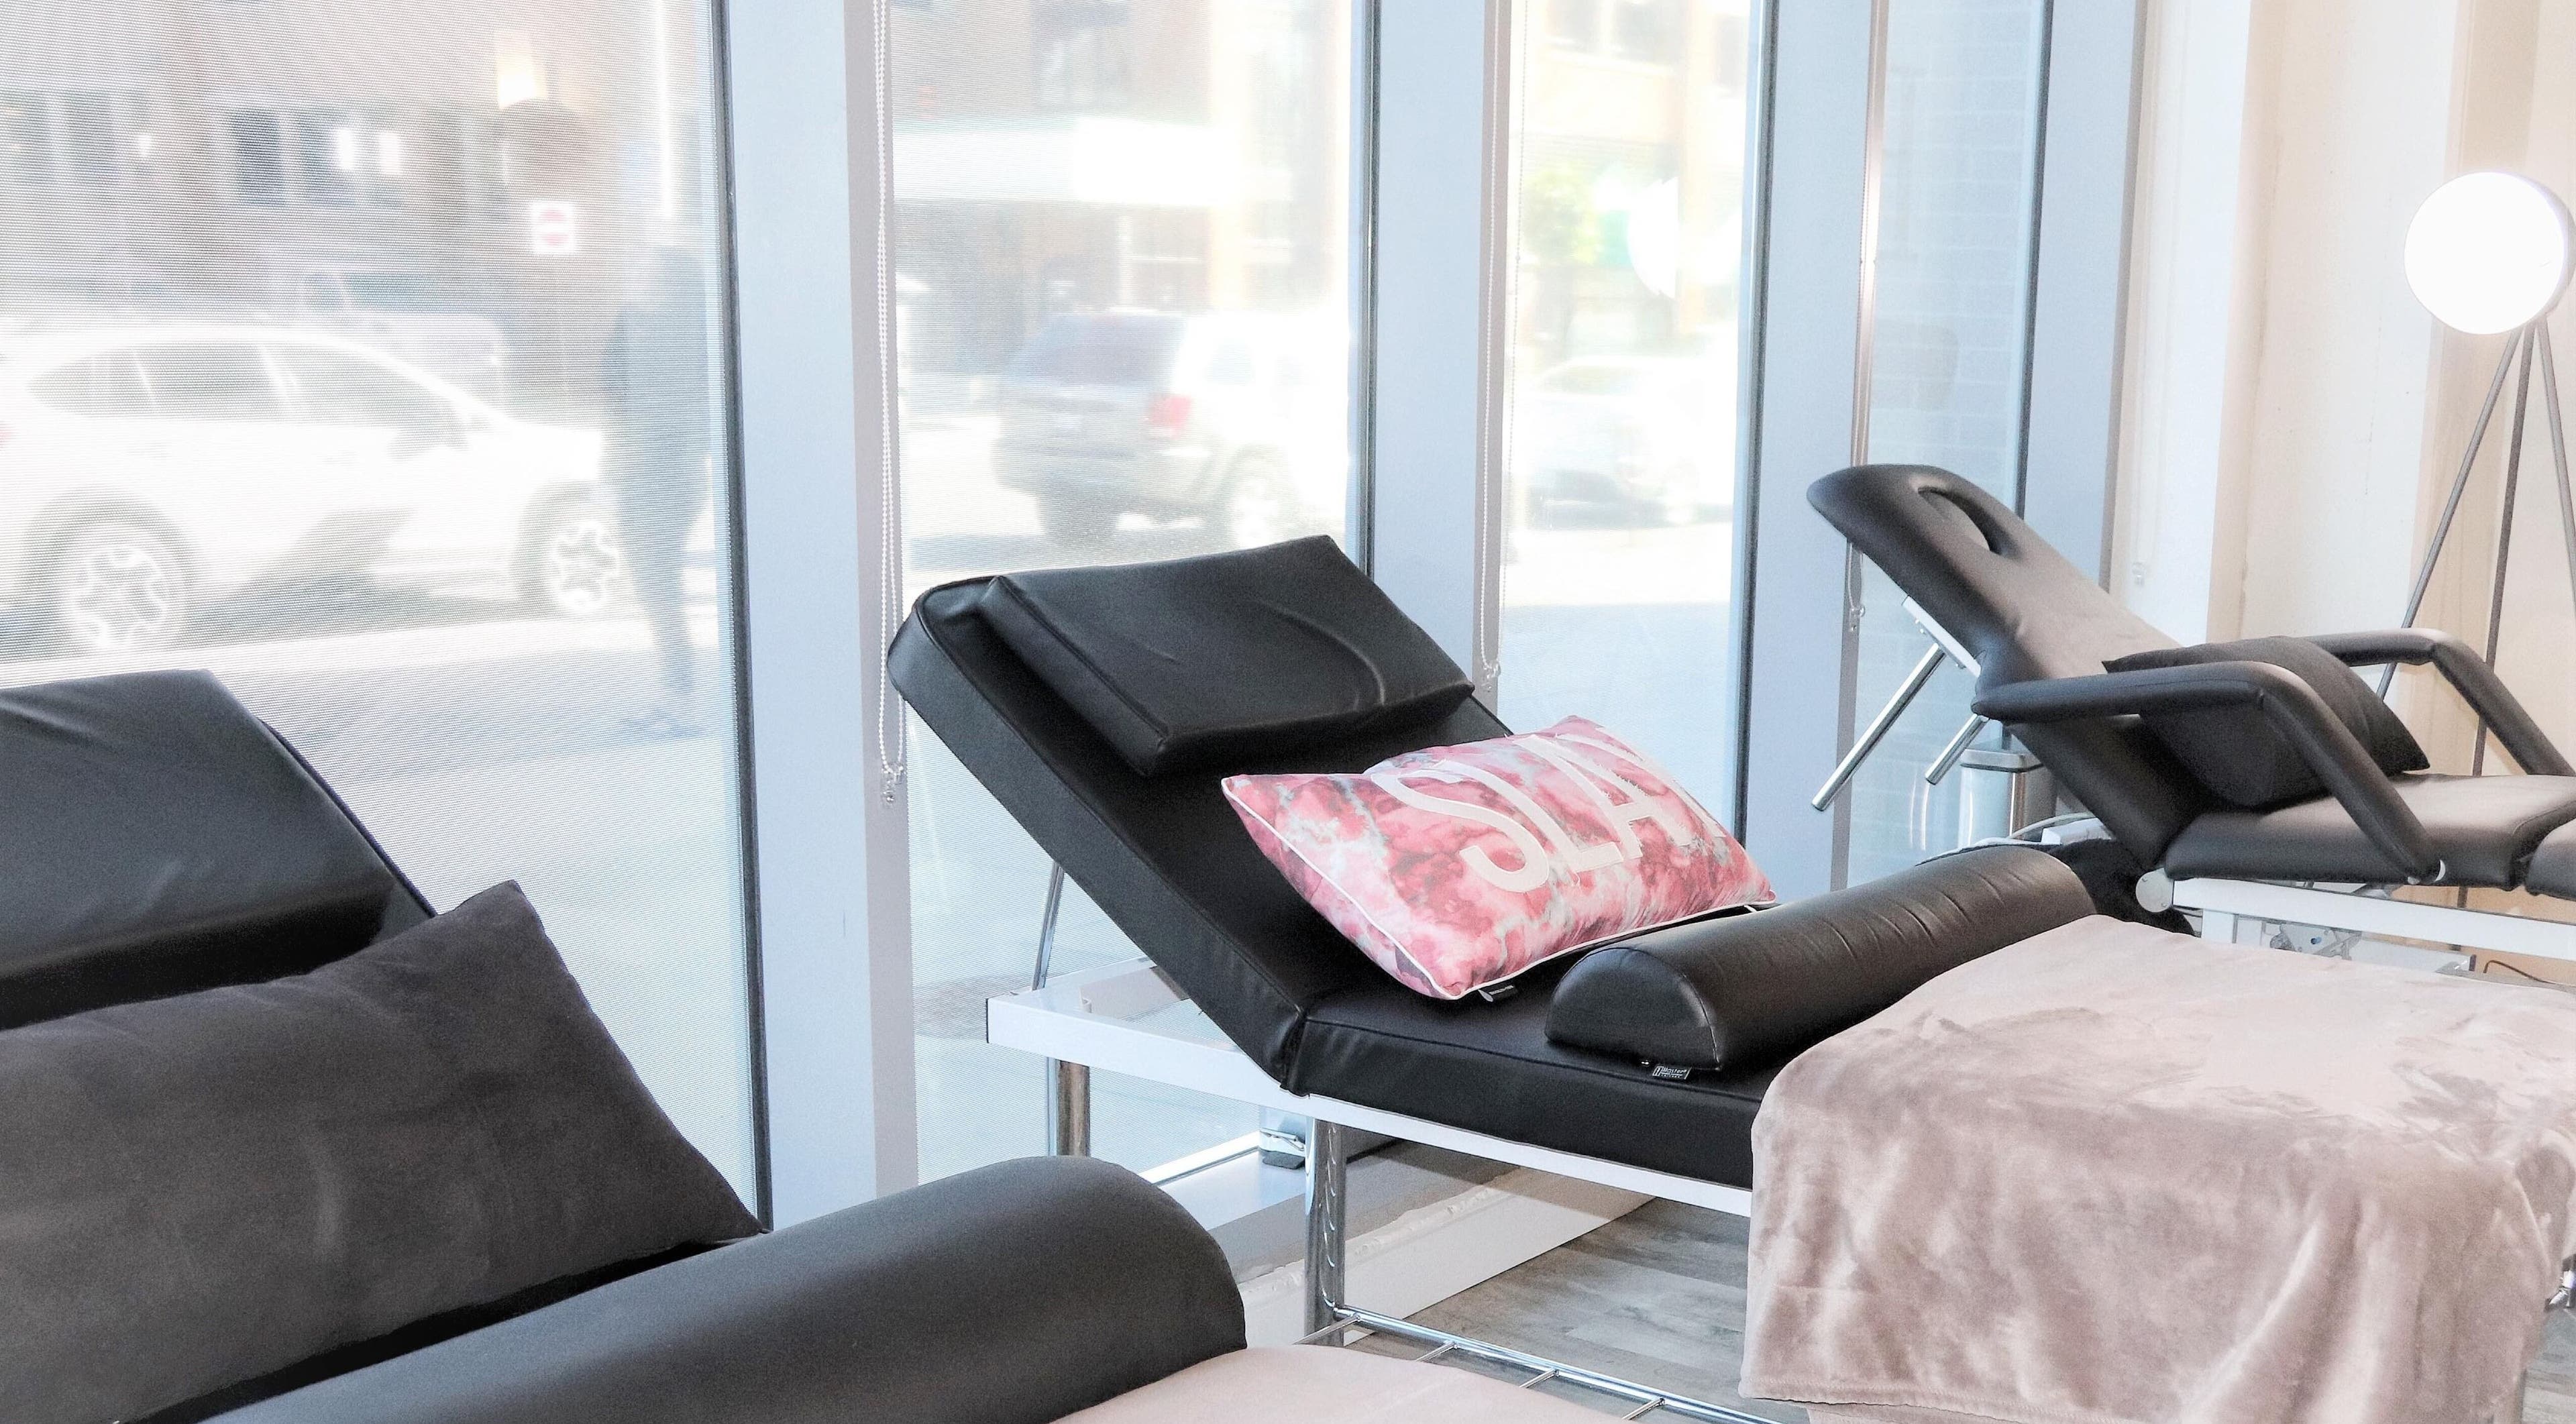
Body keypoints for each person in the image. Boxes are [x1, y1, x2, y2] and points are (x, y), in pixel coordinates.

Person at [600, 248, 714, 734]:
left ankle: (679, 698)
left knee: (658, 587)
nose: (640, 282)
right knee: (654, 587)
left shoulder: (666, 331)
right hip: (649, 470)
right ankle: (675, 695)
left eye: (652, 276)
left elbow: (627, 397)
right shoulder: (649, 326)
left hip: (658, 473)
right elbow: (615, 398)